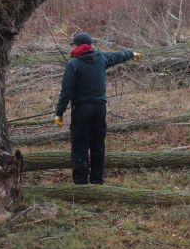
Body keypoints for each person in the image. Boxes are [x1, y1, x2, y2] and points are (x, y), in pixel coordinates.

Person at [54, 32, 143, 185]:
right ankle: (97, 180)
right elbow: (118, 56)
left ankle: (81, 183)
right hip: (100, 109)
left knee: (80, 145)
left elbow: (66, 92)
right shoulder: (101, 58)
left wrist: (59, 113)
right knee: (97, 145)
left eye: (73, 44)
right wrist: (132, 53)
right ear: (90, 45)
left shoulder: (73, 64)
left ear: (77, 45)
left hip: (81, 110)